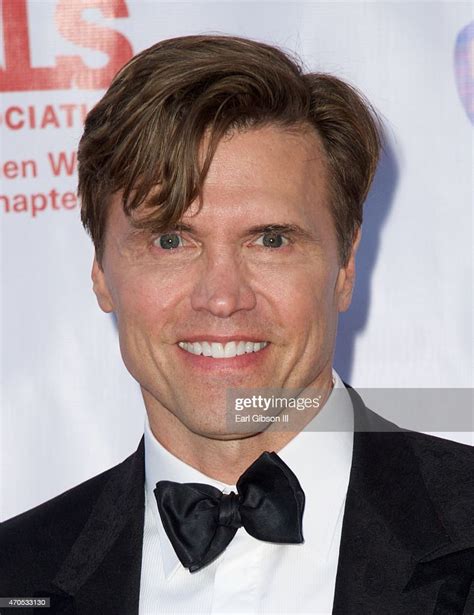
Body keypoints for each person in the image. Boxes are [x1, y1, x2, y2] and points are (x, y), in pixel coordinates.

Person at [1, 35, 472, 615]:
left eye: (271, 240)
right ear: (100, 269)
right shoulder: (14, 573)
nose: (222, 298)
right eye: (171, 240)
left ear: (345, 266)